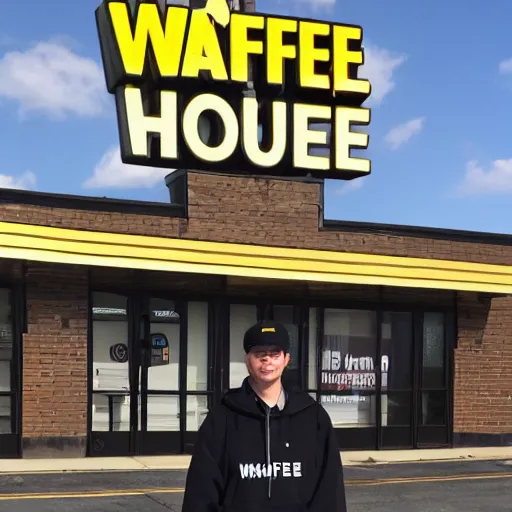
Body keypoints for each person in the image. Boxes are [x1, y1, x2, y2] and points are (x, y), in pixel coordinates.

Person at [182, 320, 347, 512]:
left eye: (274, 354)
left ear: (286, 359)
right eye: (259, 354)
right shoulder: (222, 417)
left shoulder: (313, 416)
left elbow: (330, 490)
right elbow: (201, 490)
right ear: (247, 359)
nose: (267, 360)